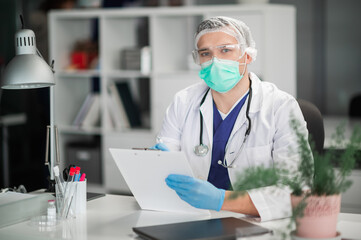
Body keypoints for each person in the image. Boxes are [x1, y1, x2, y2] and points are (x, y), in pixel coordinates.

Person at [153, 16, 310, 221]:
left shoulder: (280, 107)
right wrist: (158, 165)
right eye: (205, 53)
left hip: (256, 222)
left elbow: (298, 195)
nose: (215, 60)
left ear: (247, 55)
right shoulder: (183, 102)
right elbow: (164, 170)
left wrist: (221, 200)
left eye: (225, 50)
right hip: (191, 217)